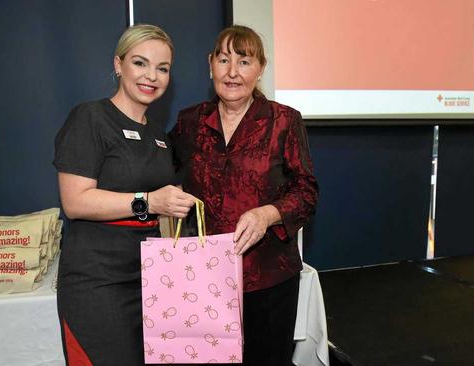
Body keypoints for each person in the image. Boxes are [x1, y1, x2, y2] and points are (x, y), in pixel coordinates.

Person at [169, 25, 319, 366]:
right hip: (203, 277)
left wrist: (268, 213)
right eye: (224, 60)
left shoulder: (284, 121)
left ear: (261, 68)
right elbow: (161, 170)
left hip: (268, 277)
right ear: (210, 65)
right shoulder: (189, 122)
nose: (232, 72)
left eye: (245, 61)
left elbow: (307, 192)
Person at [53, 24, 196, 366]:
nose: (152, 76)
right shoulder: (91, 118)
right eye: (140, 63)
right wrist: (149, 201)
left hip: (153, 279)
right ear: (118, 65)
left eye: (162, 69)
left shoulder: (160, 137)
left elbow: (166, 200)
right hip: (98, 282)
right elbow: (75, 202)